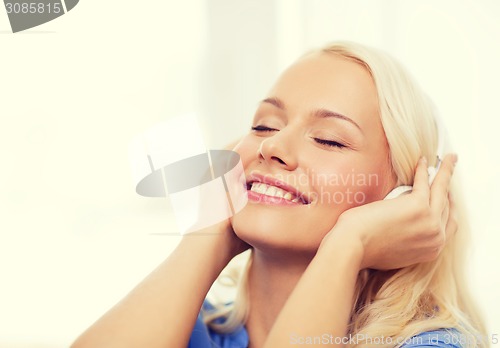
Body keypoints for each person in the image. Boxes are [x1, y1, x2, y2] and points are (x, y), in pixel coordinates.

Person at [71, 41, 487, 348]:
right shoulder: (198, 328)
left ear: (403, 201)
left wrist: (349, 244)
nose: (272, 147)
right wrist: (208, 235)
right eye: (265, 126)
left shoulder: (436, 345)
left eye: (328, 140)